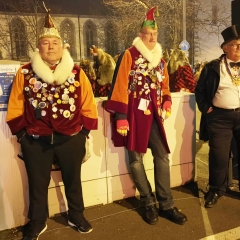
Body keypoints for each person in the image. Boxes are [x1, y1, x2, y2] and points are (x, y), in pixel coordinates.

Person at [6, 6, 98, 240]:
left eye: (54, 43)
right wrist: (22, 136)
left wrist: (83, 133)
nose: (50, 47)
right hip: (35, 140)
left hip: (70, 137)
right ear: (39, 47)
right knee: (37, 183)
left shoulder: (76, 73)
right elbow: (15, 106)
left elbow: (88, 102)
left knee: (73, 180)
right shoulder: (25, 73)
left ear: (61, 46)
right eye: (45, 43)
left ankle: (76, 215)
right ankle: (37, 221)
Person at [104, 6, 187, 225]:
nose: (152, 37)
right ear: (140, 35)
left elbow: (165, 86)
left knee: (162, 156)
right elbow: (120, 84)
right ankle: (148, 201)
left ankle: (166, 204)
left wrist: (167, 101)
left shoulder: (160, 60)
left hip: (154, 119)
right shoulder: (128, 55)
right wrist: (120, 115)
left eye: (155, 34)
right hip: (132, 117)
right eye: (148, 34)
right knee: (135, 160)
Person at [195, 25, 240, 208]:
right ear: (225, 48)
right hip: (220, 118)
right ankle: (216, 189)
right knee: (219, 156)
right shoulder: (212, 67)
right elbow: (200, 91)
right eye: (235, 45)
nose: (238, 48)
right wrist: (207, 109)